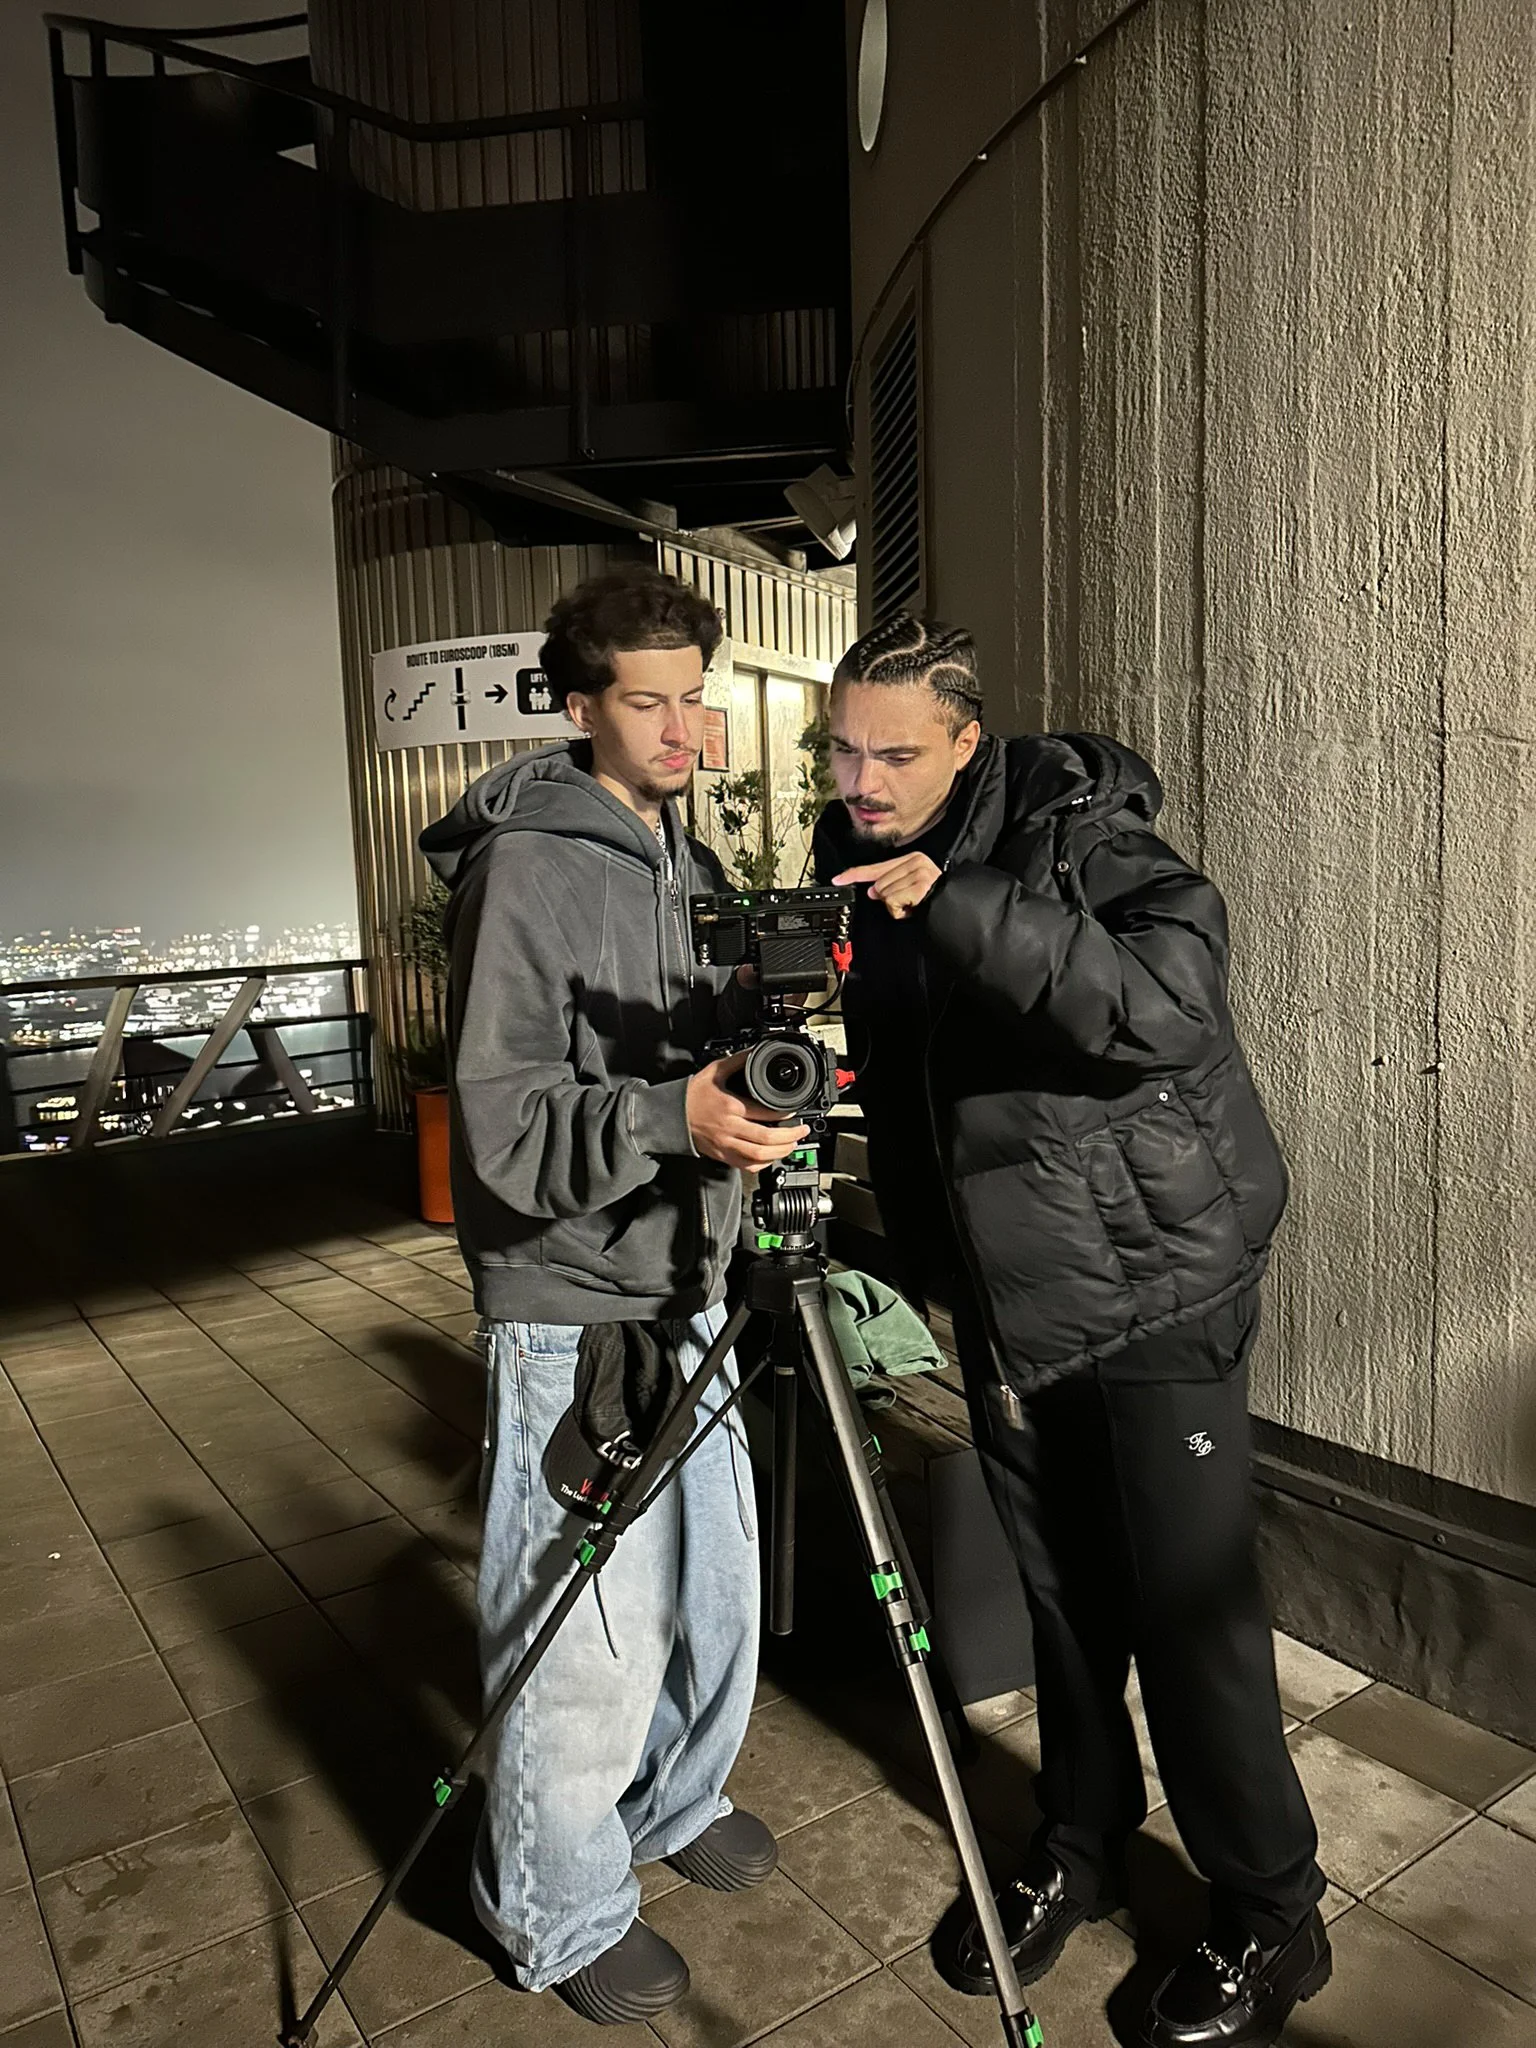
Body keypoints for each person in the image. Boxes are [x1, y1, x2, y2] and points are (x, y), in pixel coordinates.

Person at [811, 614, 1330, 2048]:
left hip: (1160, 1282)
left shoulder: (1080, 831)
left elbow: (1165, 1006)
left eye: (893, 752)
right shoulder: (850, 863)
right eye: (842, 748)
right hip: (1003, 1294)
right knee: (1064, 1603)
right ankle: (1081, 1840)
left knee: (1190, 1612)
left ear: (968, 742)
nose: (860, 778)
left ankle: (1274, 1916)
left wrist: (958, 901)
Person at [420, 565, 806, 2026]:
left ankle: (676, 1797)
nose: (683, 728)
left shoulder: (681, 858)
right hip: (571, 1301)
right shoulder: (531, 867)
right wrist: (671, 1122)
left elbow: (688, 1064)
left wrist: (747, 1101)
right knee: (582, 1626)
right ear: (580, 707)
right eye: (647, 702)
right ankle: (560, 1910)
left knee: (712, 1585)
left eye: (695, 697)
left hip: (687, 1275)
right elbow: (505, 1131)